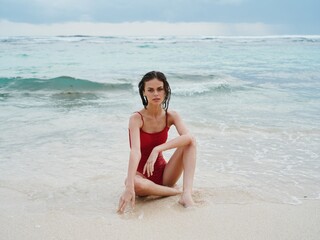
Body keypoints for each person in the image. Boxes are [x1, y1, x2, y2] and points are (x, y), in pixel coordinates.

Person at [117, 71, 196, 213]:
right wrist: (129, 186)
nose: (156, 94)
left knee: (190, 143)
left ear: (165, 91)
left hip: (165, 175)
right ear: (143, 92)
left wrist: (158, 149)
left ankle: (187, 194)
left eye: (160, 89)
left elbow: (189, 138)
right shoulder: (136, 118)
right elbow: (135, 151)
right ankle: (176, 192)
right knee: (133, 183)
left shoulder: (171, 116)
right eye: (151, 90)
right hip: (142, 178)